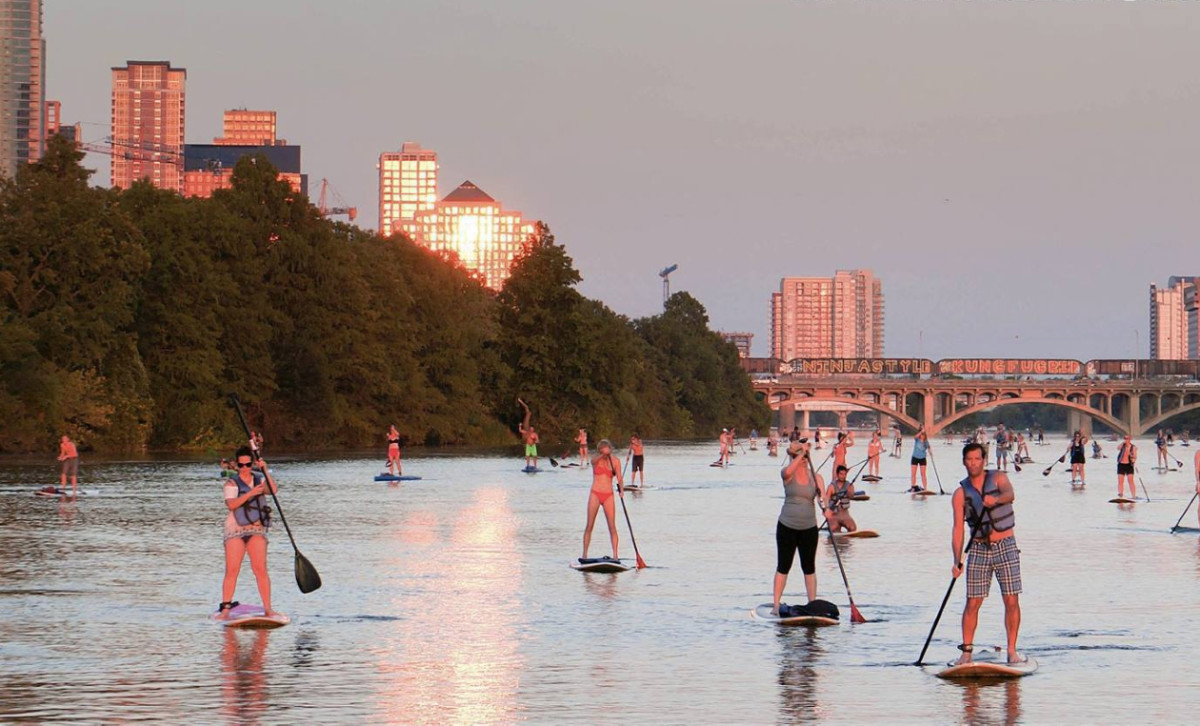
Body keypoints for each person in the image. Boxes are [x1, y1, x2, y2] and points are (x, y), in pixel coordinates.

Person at [950, 442, 1024, 666]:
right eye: (969, 459)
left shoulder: (998, 478)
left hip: (1005, 545)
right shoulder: (960, 494)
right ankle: (967, 652)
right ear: (964, 462)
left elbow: (1010, 494)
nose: (973, 463)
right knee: (973, 602)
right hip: (979, 549)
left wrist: (996, 500)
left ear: (984, 460)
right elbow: (957, 529)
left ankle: (1012, 651)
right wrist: (956, 561)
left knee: (1011, 599)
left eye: (977, 459)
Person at [218, 446, 278, 619]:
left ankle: (268, 609)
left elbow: (273, 490)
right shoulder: (231, 483)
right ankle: (226, 609)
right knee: (232, 570)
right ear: (236, 465)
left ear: (253, 464)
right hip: (235, 529)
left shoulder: (260, 479)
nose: (245, 468)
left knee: (260, 569)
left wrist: (265, 469)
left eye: (248, 464)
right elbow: (231, 505)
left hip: (256, 529)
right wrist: (251, 492)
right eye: (241, 465)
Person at [772, 439, 827, 615]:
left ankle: (812, 604)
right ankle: (775, 605)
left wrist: (825, 507)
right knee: (783, 565)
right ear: (794, 456)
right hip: (787, 526)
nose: (803, 459)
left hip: (809, 527)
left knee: (809, 567)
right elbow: (788, 471)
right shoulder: (787, 474)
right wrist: (801, 454)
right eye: (799, 456)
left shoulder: (816, 478)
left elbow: (823, 499)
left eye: (805, 456)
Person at [581, 439, 625, 561]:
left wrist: (621, 490)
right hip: (595, 494)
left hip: (608, 495)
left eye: (606, 448)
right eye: (602, 449)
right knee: (589, 525)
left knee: (612, 526)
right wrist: (602, 455)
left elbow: (620, 478)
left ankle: (615, 555)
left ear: (610, 449)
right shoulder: (596, 459)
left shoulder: (615, 461)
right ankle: (584, 554)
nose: (604, 451)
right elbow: (593, 461)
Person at [825, 464, 858, 533]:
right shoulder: (831, 486)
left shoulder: (849, 485)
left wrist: (849, 491)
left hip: (845, 514)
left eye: (845, 474)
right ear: (837, 474)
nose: (843, 476)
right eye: (841, 474)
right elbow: (826, 500)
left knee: (853, 529)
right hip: (834, 515)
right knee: (833, 530)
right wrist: (827, 512)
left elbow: (851, 496)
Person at [517, 399, 539, 469]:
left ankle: (535, 466)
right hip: (528, 442)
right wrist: (520, 426)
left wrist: (535, 440)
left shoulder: (534, 434)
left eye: (532, 429)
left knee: (534, 456)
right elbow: (521, 430)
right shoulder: (527, 430)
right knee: (528, 456)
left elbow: (537, 440)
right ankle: (528, 465)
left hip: (532, 444)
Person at [1116, 435, 1137, 499]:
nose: (1126, 440)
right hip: (1121, 464)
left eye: (1127, 438)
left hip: (1129, 465)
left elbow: (1135, 456)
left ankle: (1133, 495)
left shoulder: (1133, 447)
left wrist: (1133, 459)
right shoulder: (1122, 446)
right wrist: (1123, 443)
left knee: (1130, 480)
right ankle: (1120, 494)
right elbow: (1118, 448)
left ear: (1130, 439)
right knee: (1120, 480)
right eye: (1124, 438)